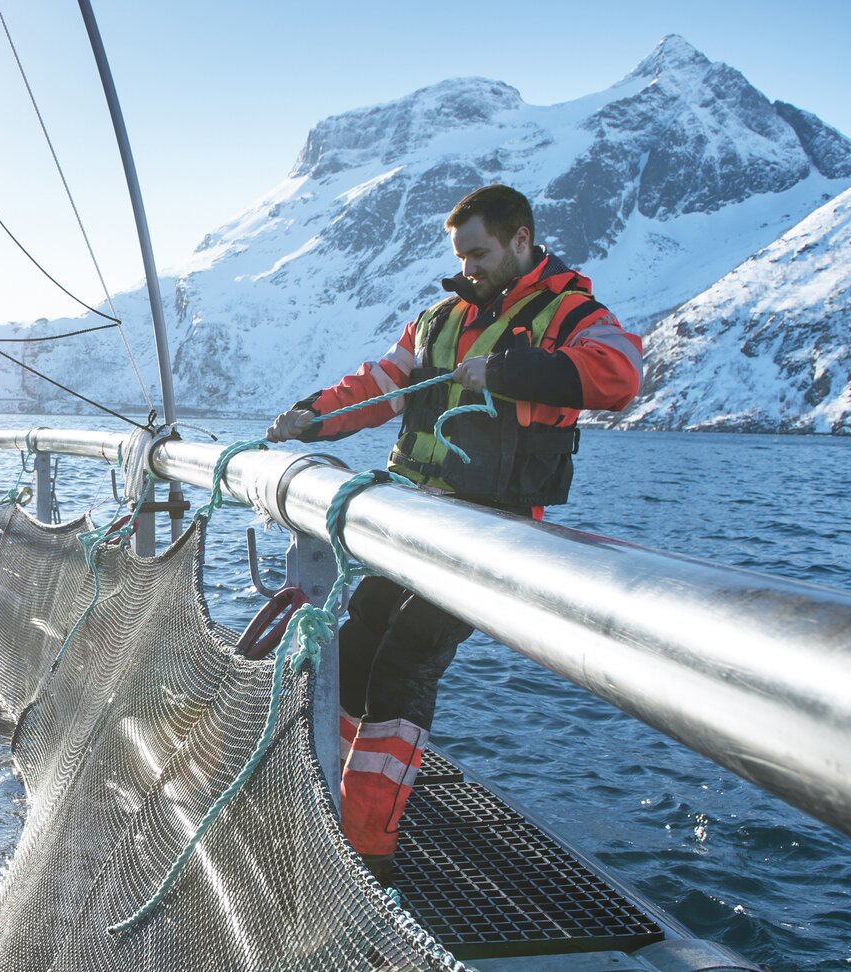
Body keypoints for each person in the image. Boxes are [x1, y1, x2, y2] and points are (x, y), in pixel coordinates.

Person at [265, 183, 643, 881]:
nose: (467, 267)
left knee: (406, 659)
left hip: (489, 533)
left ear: (521, 240)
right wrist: (310, 418)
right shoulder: (438, 320)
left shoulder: (570, 313)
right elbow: (377, 385)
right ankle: (318, 798)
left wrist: (507, 371)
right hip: (414, 521)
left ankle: (366, 848)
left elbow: (620, 374)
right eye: (461, 256)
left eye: (479, 253)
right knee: (358, 642)